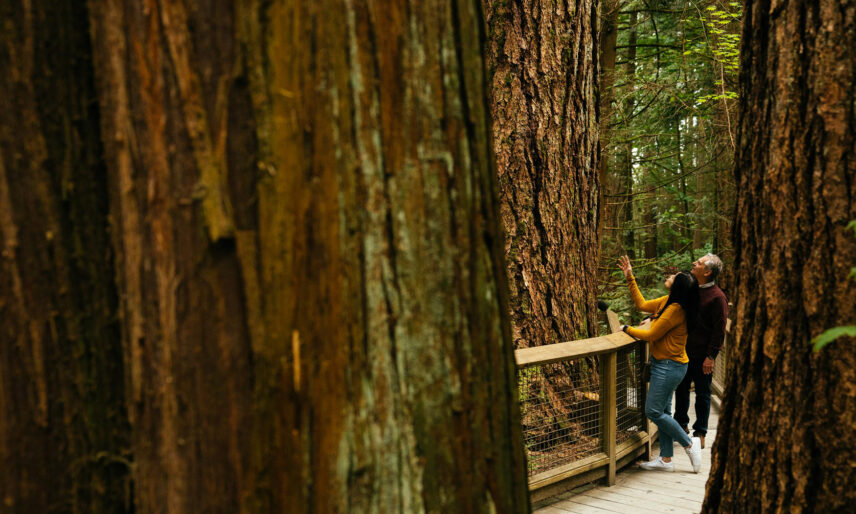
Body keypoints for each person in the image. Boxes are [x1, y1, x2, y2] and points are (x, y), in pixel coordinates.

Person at [617, 255, 703, 473]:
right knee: (664, 410)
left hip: (669, 366)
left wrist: (626, 328)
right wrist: (630, 277)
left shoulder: (675, 310)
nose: (671, 276)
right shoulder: (668, 302)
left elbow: (652, 335)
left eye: (675, 276)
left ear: (678, 287)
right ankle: (666, 459)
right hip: (665, 364)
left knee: (653, 411)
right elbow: (643, 304)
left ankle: (689, 444)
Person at [673, 254, 728, 449]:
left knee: (703, 394)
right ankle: (680, 427)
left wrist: (711, 356)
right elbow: (673, 307)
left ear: (707, 272)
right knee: (681, 390)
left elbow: (719, 330)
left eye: (699, 263)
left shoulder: (717, 297)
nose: (694, 263)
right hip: (683, 351)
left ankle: (700, 432)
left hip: (703, 355)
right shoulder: (690, 289)